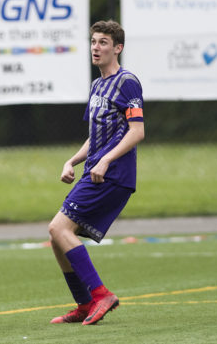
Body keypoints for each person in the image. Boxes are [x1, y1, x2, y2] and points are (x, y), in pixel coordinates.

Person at [48, 20, 145, 326]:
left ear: (118, 48)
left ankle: (101, 294)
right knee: (57, 237)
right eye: (93, 42)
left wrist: (106, 160)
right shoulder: (96, 85)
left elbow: (136, 131)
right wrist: (73, 161)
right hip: (95, 171)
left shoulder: (127, 81)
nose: (96, 47)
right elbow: (96, 135)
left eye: (103, 42)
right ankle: (85, 303)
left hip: (112, 173)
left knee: (58, 229)